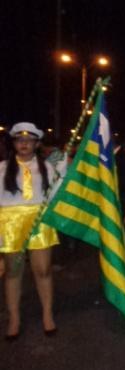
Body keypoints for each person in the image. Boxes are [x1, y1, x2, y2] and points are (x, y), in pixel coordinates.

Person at [0, 123, 64, 340]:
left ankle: (47, 314)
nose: (24, 143)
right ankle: (14, 318)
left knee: (43, 269)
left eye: (29, 140)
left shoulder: (48, 168)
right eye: (19, 140)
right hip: (11, 224)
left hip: (39, 221)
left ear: (37, 144)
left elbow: (58, 195)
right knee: (12, 271)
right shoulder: (2, 168)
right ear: (14, 143)